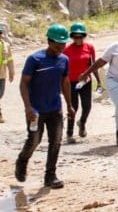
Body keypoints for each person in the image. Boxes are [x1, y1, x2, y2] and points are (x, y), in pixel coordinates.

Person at [15, 24, 75, 189]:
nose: (61, 47)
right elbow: (24, 84)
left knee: (56, 141)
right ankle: (22, 160)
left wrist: (69, 105)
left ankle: (50, 176)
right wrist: (28, 107)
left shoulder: (64, 59)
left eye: (63, 44)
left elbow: (65, 81)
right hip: (36, 110)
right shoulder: (35, 59)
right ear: (49, 41)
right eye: (57, 44)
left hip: (55, 109)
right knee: (34, 140)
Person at [62, 22, 102, 143]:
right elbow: (62, 67)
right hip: (71, 83)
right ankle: (69, 133)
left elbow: (92, 65)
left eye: (81, 36)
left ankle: (82, 123)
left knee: (87, 106)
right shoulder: (66, 49)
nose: (78, 39)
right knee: (73, 107)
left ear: (84, 36)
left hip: (85, 81)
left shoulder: (89, 48)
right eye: (75, 36)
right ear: (72, 36)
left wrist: (99, 81)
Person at [0, 24, 15, 123]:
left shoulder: (6, 45)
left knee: (1, 94)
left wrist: (11, 72)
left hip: (2, 75)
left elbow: (10, 60)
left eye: (0, 33)